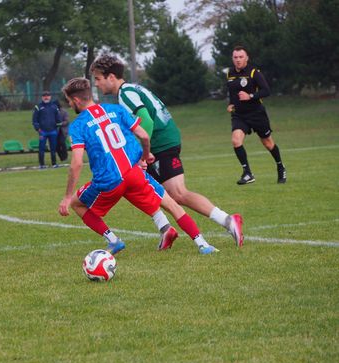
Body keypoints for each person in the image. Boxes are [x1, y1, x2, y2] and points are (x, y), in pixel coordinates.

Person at [90, 54, 244, 248]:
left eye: (98, 79)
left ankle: (228, 220)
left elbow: (146, 121)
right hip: (163, 141)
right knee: (137, 185)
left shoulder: (125, 94)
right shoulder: (131, 89)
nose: (96, 84)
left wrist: (142, 153)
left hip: (161, 144)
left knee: (178, 193)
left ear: (111, 77)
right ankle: (165, 229)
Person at [58, 77, 217, 255]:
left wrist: (66, 196)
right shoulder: (116, 109)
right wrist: (146, 155)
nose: (70, 105)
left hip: (108, 181)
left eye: (69, 101)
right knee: (171, 204)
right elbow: (144, 136)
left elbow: (77, 163)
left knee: (76, 204)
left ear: (77, 99)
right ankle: (203, 245)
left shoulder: (78, 125)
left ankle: (113, 240)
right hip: (134, 173)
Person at [227, 45, 286, 185]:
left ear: (246, 58)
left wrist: (250, 96)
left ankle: (280, 166)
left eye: (241, 57)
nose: (238, 60)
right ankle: (247, 173)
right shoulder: (230, 73)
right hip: (239, 115)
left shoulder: (254, 72)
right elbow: (232, 92)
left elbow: (266, 91)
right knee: (236, 140)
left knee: (268, 143)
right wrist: (231, 103)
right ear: (232, 59)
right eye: (235, 57)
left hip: (256, 114)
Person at [32, 90, 62, 168]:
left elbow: (58, 118)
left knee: (53, 148)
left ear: (50, 97)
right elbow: (34, 120)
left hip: (53, 131)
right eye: (44, 96)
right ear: (42, 97)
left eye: (47, 96)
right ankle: (42, 164)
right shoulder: (38, 107)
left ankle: (54, 164)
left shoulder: (54, 106)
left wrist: (58, 127)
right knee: (41, 148)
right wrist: (38, 129)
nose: (46, 97)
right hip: (42, 132)